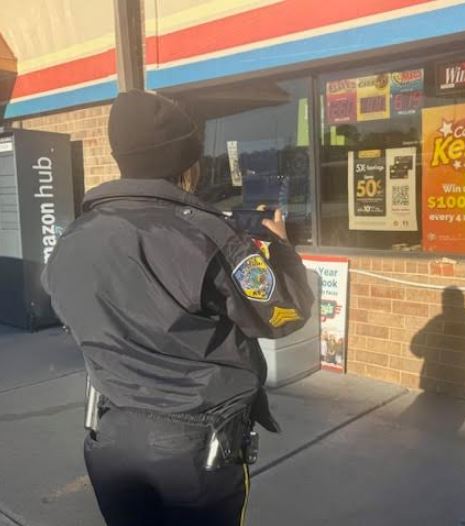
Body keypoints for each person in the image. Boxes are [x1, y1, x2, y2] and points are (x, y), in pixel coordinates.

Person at [41, 89, 314, 526]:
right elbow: (285, 313)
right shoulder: (208, 236)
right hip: (195, 450)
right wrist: (281, 248)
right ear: (188, 165)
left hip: (111, 439)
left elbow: (67, 309)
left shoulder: (73, 238)